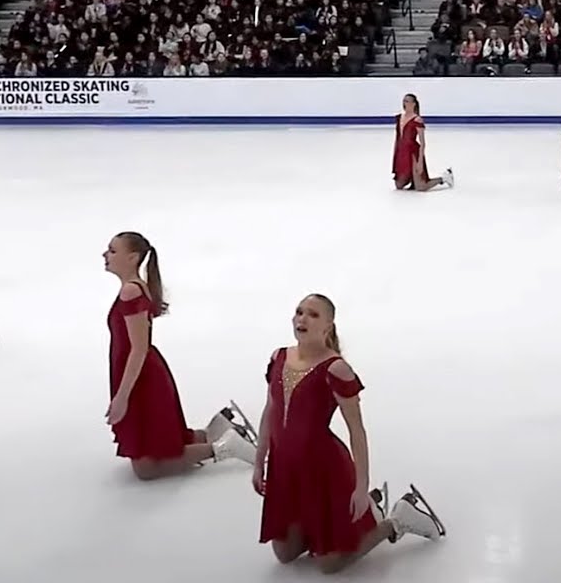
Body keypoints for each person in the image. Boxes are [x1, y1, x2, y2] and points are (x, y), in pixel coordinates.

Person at [255, 294, 444, 574]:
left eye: (313, 315)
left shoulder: (336, 368)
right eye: (299, 311)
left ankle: (396, 521)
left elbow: (357, 430)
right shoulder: (278, 357)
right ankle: (354, 518)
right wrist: (259, 460)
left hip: (323, 470)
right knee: (285, 554)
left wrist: (360, 484)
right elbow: (270, 409)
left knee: (329, 565)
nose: (302, 319)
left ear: (328, 326)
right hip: (286, 469)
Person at [103, 231, 257, 480]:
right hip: (142, 373)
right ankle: (219, 426)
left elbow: (138, 349)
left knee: (146, 469)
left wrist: (122, 397)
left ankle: (227, 447)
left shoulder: (131, 291)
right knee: (159, 444)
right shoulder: (134, 288)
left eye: (112, 250)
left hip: (143, 378)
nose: (105, 255)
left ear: (132, 258)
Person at [393, 94, 454, 191]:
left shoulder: (417, 119)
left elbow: (422, 143)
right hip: (402, 153)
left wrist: (420, 161)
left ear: (414, 104)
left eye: (407, 101)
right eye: (404, 101)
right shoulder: (399, 117)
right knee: (399, 185)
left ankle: (444, 178)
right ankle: (413, 177)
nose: (405, 103)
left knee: (421, 187)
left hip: (413, 153)